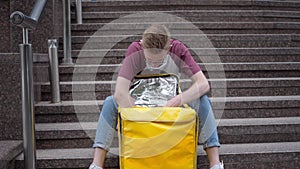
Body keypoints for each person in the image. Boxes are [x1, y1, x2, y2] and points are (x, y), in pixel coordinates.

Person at [89, 24, 224, 169]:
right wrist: (137, 111)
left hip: (170, 100)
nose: (153, 65)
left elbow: (203, 84)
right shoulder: (135, 50)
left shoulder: (178, 49)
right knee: (110, 102)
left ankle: (215, 163)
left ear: (168, 48)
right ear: (142, 46)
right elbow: (120, 92)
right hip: (141, 102)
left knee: (202, 101)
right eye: (150, 60)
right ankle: (97, 164)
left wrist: (178, 100)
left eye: (158, 61)